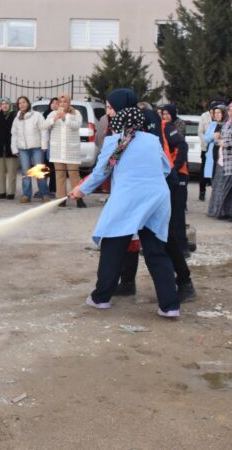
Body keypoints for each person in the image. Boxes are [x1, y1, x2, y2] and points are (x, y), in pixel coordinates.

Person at [69, 89, 180, 318]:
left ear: (120, 113)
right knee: (156, 251)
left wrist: (80, 190)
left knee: (112, 246)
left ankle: (101, 298)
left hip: (129, 198)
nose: (108, 111)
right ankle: (170, 306)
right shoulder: (151, 140)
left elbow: (101, 173)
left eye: (109, 108)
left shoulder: (114, 142)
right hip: (158, 198)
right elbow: (166, 168)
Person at [158, 103, 196, 303]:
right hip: (158, 183)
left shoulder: (164, 128)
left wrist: (175, 167)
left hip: (175, 177)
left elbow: (181, 146)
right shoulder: (133, 134)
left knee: (174, 220)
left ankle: (182, 280)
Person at [46, 93, 85, 207]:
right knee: (60, 175)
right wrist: (54, 118)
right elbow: (45, 125)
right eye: (60, 102)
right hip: (58, 150)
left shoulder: (76, 113)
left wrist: (65, 117)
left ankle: (78, 198)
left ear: (69, 103)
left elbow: (76, 125)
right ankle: (61, 198)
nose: (62, 104)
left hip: (71, 151)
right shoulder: (53, 113)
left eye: (65, 101)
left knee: (74, 175)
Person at [207, 102, 232, 221]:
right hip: (221, 160)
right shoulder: (227, 124)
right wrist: (221, 141)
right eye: (230, 110)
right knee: (218, 188)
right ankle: (219, 211)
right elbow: (217, 140)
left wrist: (225, 142)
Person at [11, 96, 49, 204]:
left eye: (24, 102)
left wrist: (44, 145)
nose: (21, 104)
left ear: (28, 103)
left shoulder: (37, 115)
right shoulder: (17, 118)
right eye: (19, 103)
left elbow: (43, 130)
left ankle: (44, 193)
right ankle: (26, 194)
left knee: (39, 171)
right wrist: (14, 148)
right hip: (23, 149)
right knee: (25, 172)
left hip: (37, 147)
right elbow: (14, 134)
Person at [0, 98, 17, 199]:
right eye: (2, 104)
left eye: (6, 103)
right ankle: (2, 192)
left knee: (12, 173)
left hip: (10, 148)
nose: (4, 105)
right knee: (0, 172)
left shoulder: (14, 116)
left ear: (10, 105)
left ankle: (11, 193)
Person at [201, 103, 225, 201]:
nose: (217, 115)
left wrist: (220, 138)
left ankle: (220, 203)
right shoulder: (213, 124)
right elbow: (206, 138)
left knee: (221, 181)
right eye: (215, 113)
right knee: (213, 180)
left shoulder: (228, 124)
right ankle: (215, 203)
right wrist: (213, 136)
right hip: (212, 155)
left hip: (222, 157)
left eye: (219, 112)